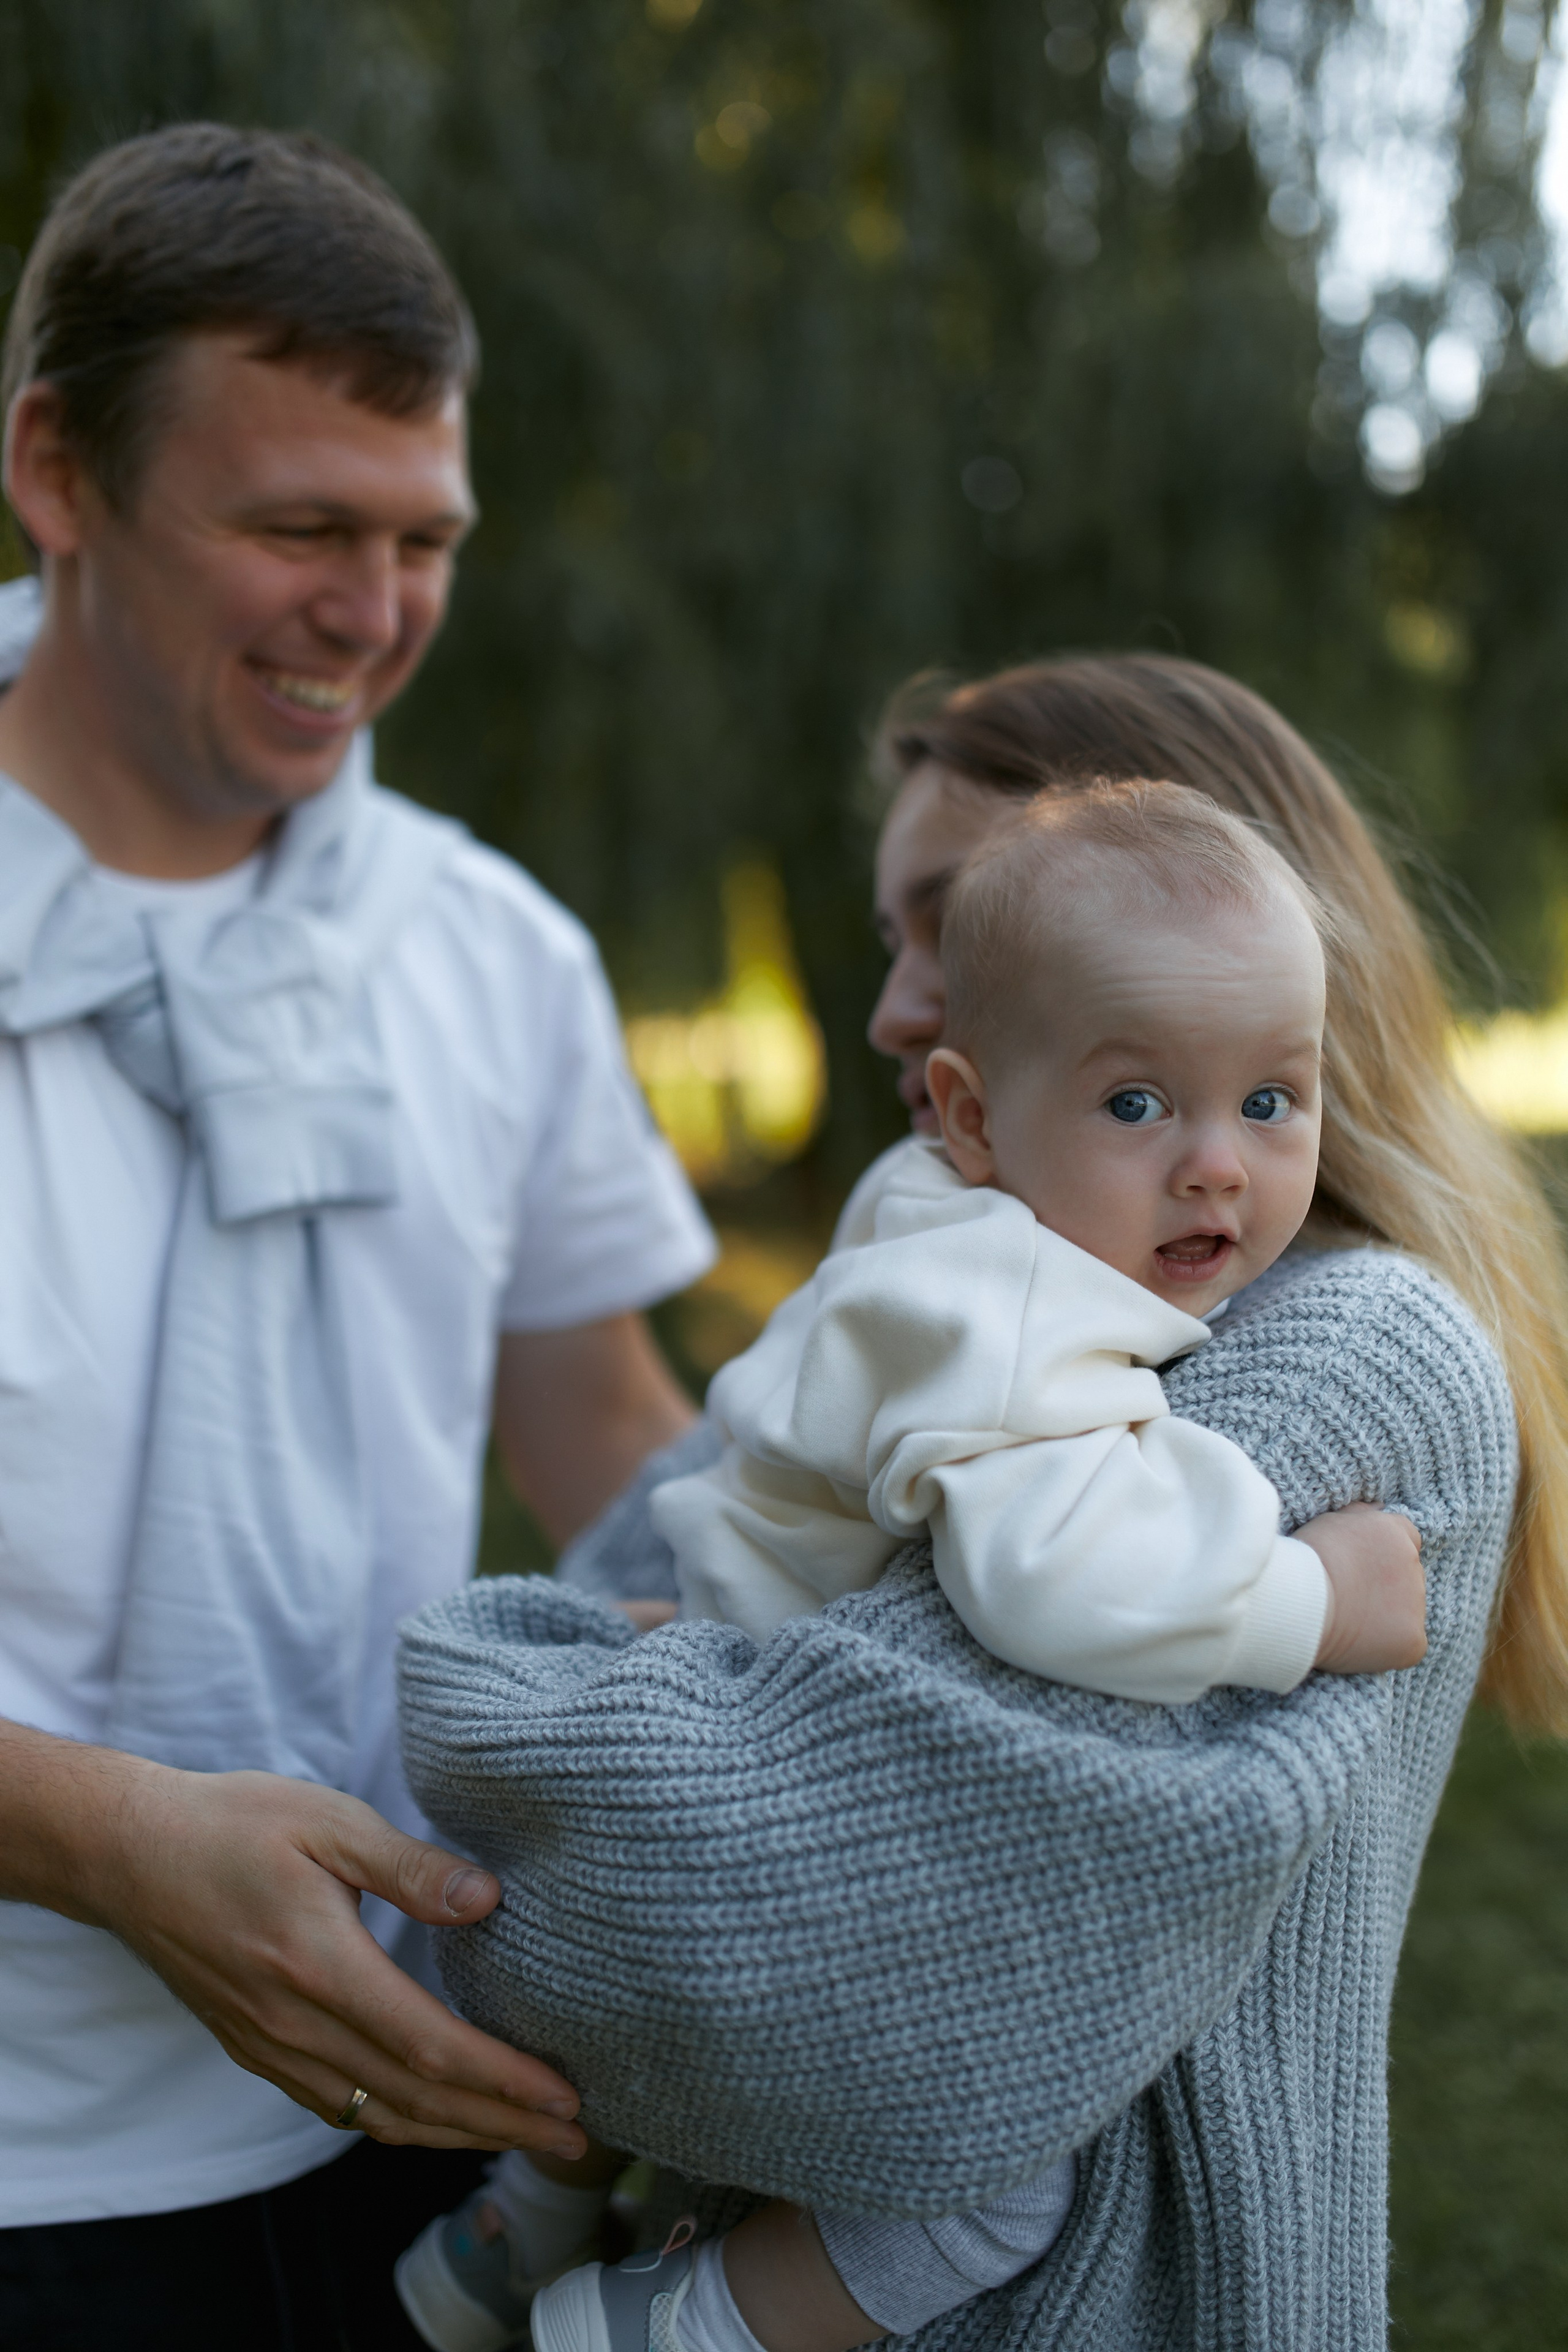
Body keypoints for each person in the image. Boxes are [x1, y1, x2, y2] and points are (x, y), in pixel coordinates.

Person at [397, 654, 1568, 2352]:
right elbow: (648, 1568)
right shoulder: (1003, 1263)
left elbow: (691, 1893)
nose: (894, 1008)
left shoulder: (1334, 1342)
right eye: (895, 941)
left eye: (946, 924)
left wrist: (619, 1698)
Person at [0, 125, 715, 2352]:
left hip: (402, 2131)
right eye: (301, 525)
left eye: (426, 541)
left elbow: (608, 1433)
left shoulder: (496, 955)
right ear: (56, 472)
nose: (376, 615)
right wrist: (108, 1838)